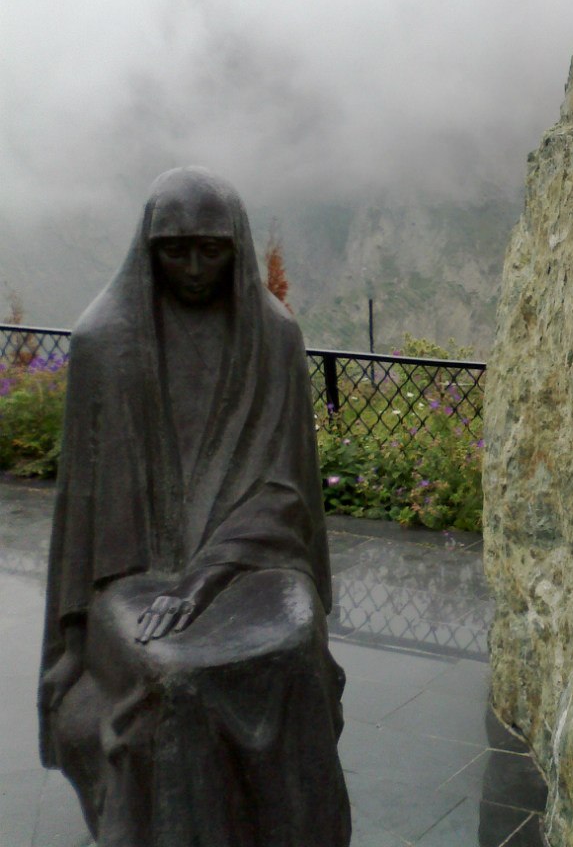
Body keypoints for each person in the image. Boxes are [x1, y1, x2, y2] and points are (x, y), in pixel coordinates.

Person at [37, 167, 351, 847]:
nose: (193, 266)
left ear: (235, 246)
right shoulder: (106, 341)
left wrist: (206, 577)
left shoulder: (274, 338)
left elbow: (283, 490)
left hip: (256, 562)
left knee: (294, 652)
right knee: (174, 673)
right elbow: (91, 516)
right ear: (147, 249)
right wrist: (74, 641)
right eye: (174, 249)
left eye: (211, 249)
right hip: (136, 571)